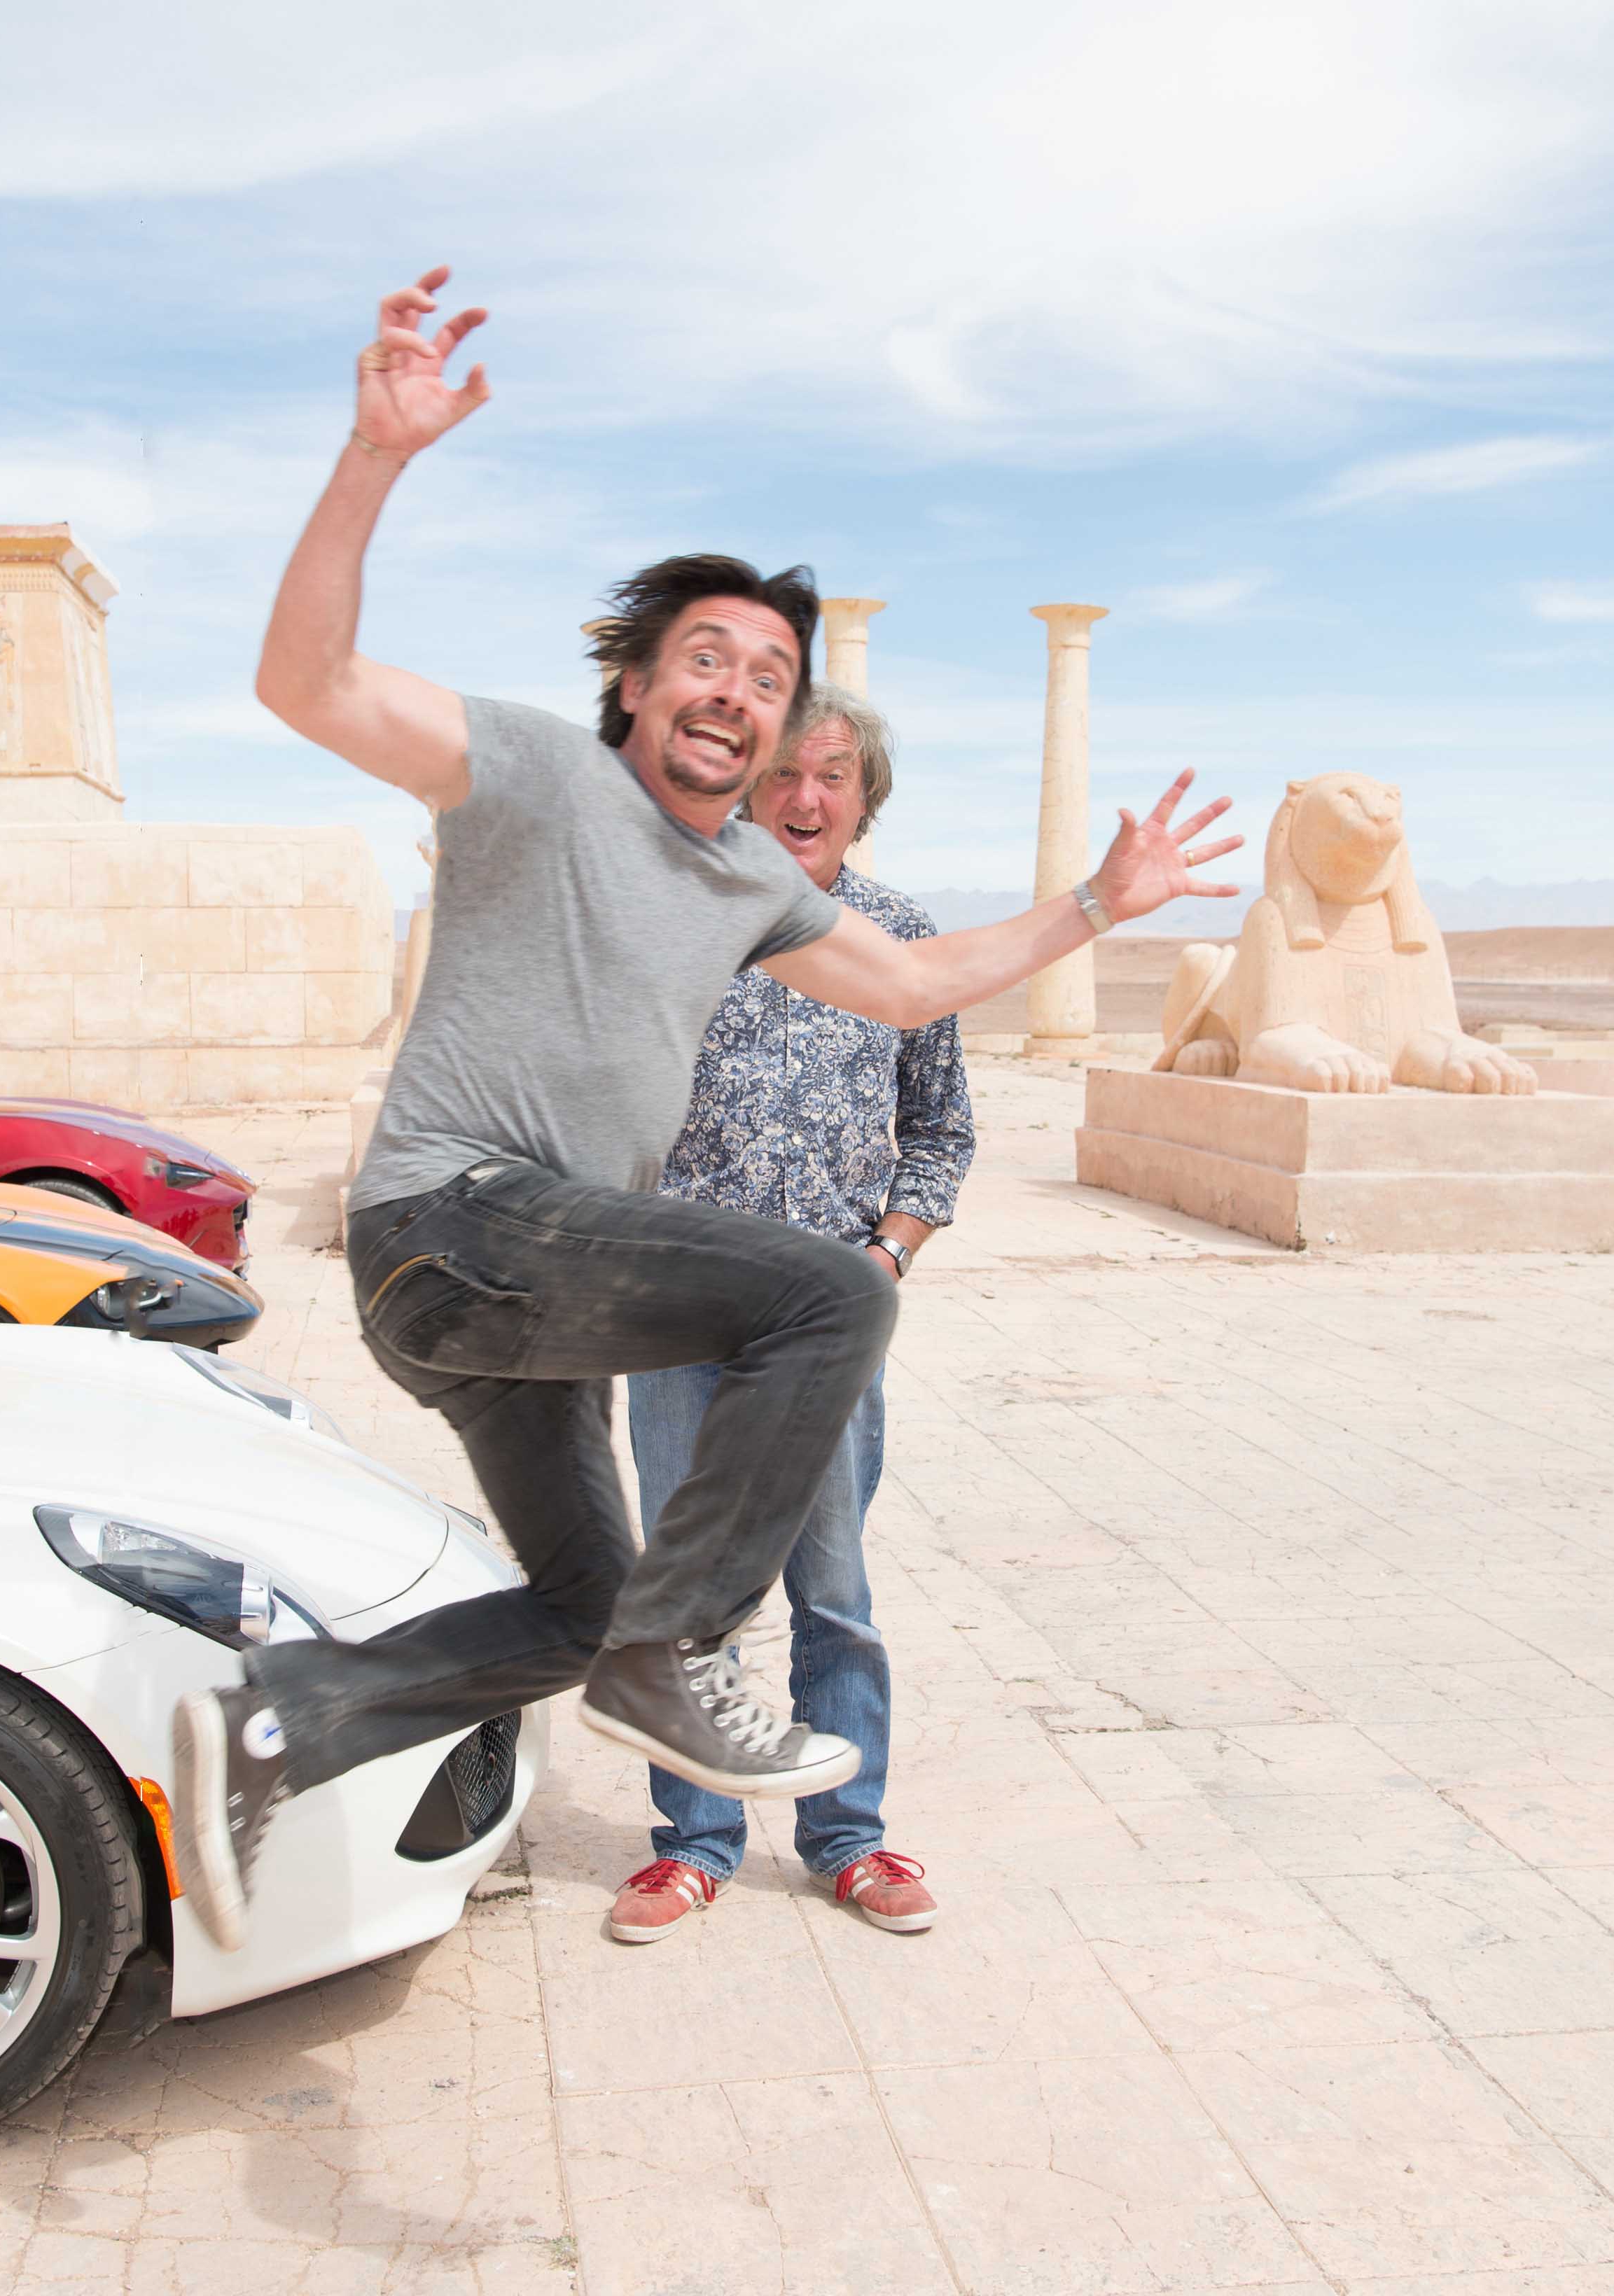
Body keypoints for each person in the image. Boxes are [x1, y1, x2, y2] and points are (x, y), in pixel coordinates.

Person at [166, 267, 1240, 1953]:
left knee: (586, 1613)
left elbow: (911, 983)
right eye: (706, 658)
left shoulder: (748, 879)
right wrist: (375, 457)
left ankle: (286, 1717)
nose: (738, 690)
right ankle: (686, 1663)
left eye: (769, 674)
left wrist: (1098, 905)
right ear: (637, 686)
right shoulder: (537, 770)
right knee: (832, 1296)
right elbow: (308, 681)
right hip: (455, 1217)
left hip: (526, 1303)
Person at [606, 690, 972, 1946]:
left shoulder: (900, 941)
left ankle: (847, 1838)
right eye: (783, 774)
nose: (806, 798)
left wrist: (886, 1256)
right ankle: (693, 1843)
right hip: (681, 1320)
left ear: (864, 801)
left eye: (833, 776)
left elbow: (939, 1132)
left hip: (826, 1327)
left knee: (833, 1590)